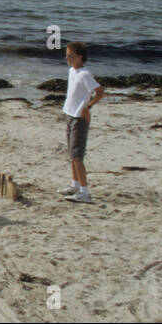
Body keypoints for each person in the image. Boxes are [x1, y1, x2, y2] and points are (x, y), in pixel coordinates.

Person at [59, 41, 104, 203]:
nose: (68, 59)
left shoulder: (85, 74)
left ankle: (85, 192)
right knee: (72, 154)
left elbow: (100, 93)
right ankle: (75, 185)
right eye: (66, 56)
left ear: (80, 57)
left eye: (70, 56)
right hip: (69, 115)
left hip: (79, 118)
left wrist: (88, 107)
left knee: (77, 157)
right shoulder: (72, 71)